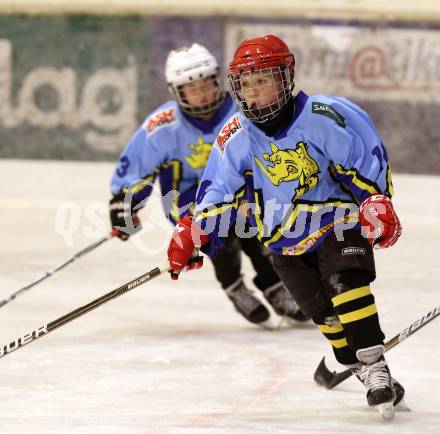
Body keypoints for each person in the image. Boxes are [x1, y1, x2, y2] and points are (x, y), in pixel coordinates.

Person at [166, 35, 405, 419]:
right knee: (324, 315)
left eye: (263, 81)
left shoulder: (326, 115)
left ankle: (375, 366)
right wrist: (192, 233)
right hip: (281, 239)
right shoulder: (235, 135)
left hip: (336, 220)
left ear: (285, 76)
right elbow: (217, 191)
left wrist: (376, 201)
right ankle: (356, 363)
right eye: (246, 84)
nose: (255, 93)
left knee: (347, 283)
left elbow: (364, 158)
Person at [109, 42, 305, 328]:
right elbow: (136, 166)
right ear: (177, 92)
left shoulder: (244, 110)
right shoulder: (162, 124)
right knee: (215, 231)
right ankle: (232, 284)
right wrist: (125, 204)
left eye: (205, 84)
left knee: (257, 228)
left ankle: (274, 284)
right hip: (186, 195)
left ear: (218, 80)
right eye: (191, 89)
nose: (201, 94)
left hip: (240, 188)